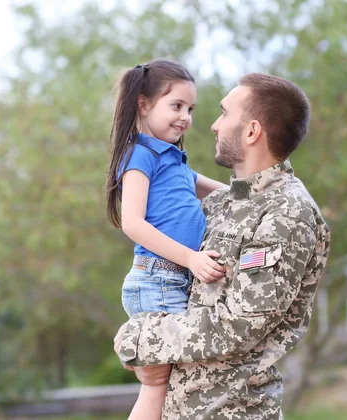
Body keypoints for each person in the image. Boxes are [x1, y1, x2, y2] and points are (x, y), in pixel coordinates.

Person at [113, 72, 330, 419]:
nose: (213, 125)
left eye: (224, 113)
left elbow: (240, 325)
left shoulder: (288, 213)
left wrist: (139, 338)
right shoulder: (228, 201)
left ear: (251, 131)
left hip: (232, 411)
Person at [105, 58, 227, 420]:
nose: (185, 117)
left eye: (189, 109)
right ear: (143, 104)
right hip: (156, 280)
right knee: (158, 384)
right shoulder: (140, 155)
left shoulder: (174, 160)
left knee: (176, 385)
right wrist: (191, 259)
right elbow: (133, 224)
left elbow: (225, 192)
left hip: (172, 280)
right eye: (176, 106)